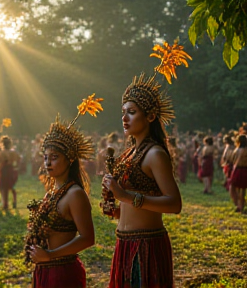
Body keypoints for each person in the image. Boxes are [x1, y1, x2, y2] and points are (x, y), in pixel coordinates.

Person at [102, 73, 182, 288]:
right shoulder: (130, 153)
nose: (125, 118)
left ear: (150, 116)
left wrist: (126, 196)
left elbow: (174, 204)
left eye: (132, 112)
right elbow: (134, 202)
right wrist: (116, 208)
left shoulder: (155, 154)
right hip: (124, 243)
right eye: (123, 112)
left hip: (147, 246)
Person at [25, 92, 103, 288]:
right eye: (45, 157)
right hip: (45, 269)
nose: (48, 162)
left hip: (62, 272)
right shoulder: (52, 191)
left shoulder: (75, 194)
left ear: (69, 159)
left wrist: (50, 255)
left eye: (54, 157)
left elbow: (88, 238)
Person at [229, 134, 247, 213]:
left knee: (234, 188)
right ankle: (241, 206)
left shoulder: (236, 150)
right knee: (242, 189)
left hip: (237, 169)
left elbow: (232, 160)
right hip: (244, 169)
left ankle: (239, 205)